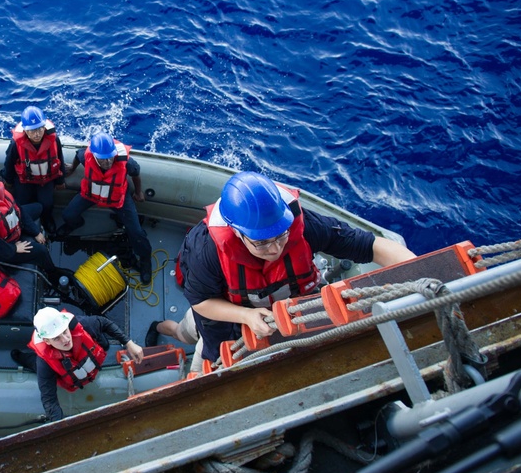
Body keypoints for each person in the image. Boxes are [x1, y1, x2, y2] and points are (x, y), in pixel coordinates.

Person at [176, 171, 415, 364]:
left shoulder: (306, 225)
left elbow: (372, 246)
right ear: (237, 233)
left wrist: (421, 273)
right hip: (230, 316)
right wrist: (245, 315)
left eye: (281, 235)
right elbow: (201, 302)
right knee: (192, 342)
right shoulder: (206, 250)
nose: (275, 249)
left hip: (294, 307)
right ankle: (164, 328)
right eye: (261, 242)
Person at [58, 132, 153, 284]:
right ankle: (77, 224)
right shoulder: (86, 156)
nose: (108, 161)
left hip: (118, 199)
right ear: (95, 156)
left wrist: (138, 192)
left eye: (110, 157)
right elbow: (78, 155)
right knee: (68, 215)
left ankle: (145, 259)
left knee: (136, 232)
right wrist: (73, 168)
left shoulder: (127, 163)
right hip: (91, 195)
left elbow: (136, 174)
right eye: (103, 159)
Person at [23, 307, 144, 422]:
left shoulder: (82, 325)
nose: (65, 340)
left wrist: (128, 343)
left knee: (101, 341)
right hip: (59, 370)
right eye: (56, 338)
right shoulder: (44, 362)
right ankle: (20, 356)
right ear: (47, 341)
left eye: (64, 332)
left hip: (87, 359)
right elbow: (49, 400)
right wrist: (59, 426)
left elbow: (104, 322)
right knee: (35, 365)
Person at [1, 106, 67, 233]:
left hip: (46, 179)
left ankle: (47, 219)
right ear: (25, 130)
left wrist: (60, 180)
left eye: (39, 129)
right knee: (21, 202)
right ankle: (25, 225)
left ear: (44, 127)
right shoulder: (16, 144)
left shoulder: (54, 140)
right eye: (32, 131)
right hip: (25, 179)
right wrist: (7, 180)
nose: (36, 134)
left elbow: (60, 158)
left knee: (47, 203)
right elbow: (9, 163)